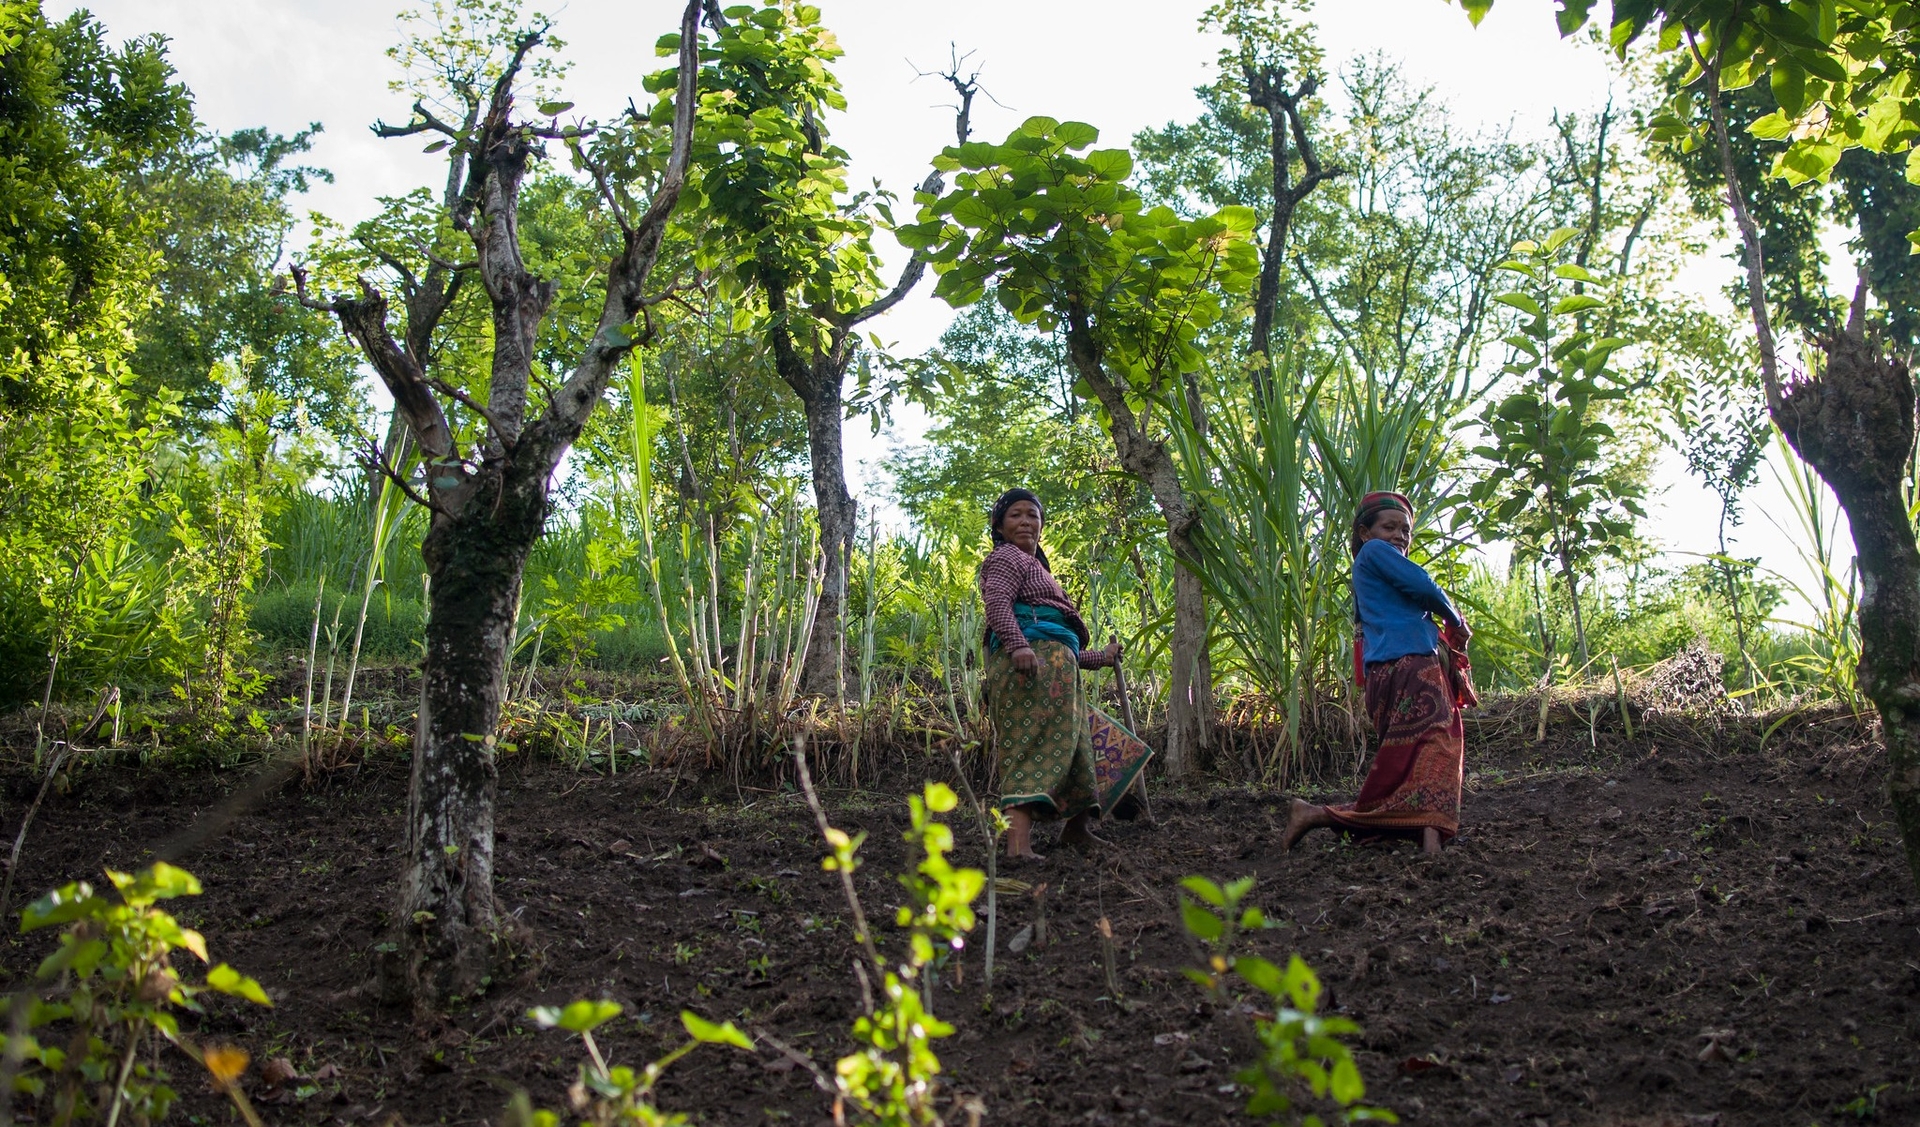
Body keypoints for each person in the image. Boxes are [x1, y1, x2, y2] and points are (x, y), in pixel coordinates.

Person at [1284, 491, 1469, 856]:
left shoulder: (1374, 570)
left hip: (1390, 672)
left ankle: (1426, 840)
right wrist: (1454, 618)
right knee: (1440, 745)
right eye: (1389, 527)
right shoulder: (1374, 553)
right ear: (1365, 534)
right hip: (1411, 666)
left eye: (1406, 530)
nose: (1400, 536)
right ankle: (1321, 815)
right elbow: (1424, 587)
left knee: (1414, 758)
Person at [978, 488, 1121, 861]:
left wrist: (1101, 657)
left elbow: (1064, 646)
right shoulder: (1006, 557)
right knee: (1030, 746)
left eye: (1033, 516)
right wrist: (1017, 645)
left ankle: (1076, 833)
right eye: (1016, 515)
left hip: (1054, 666)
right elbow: (997, 604)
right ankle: (1017, 847)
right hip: (1029, 665)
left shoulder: (1038, 568)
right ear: (999, 525)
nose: (1026, 522)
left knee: (1078, 748)